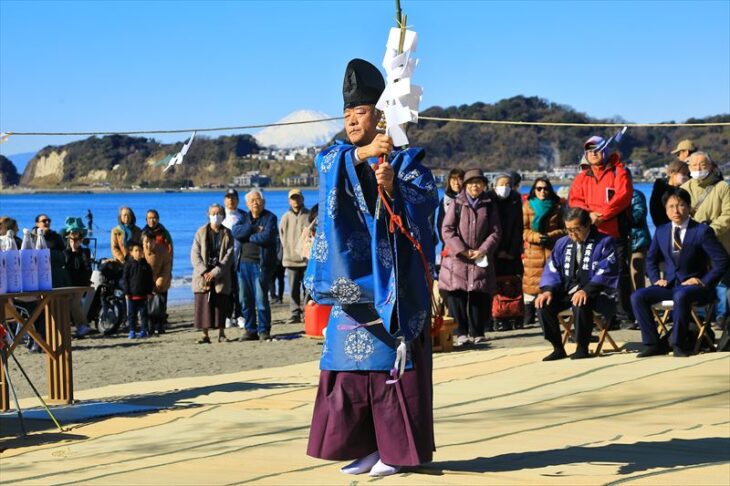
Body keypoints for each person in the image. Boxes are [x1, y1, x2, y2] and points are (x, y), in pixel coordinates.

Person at [306, 58, 438, 477]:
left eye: (359, 113)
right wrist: (362, 156)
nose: (350, 121)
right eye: (346, 115)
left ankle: (395, 452)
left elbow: (424, 206)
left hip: (392, 286)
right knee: (347, 373)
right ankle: (364, 447)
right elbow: (326, 167)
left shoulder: (408, 163)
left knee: (390, 372)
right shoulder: (338, 156)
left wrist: (393, 188)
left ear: (381, 115)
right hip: (351, 286)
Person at [631, 188, 729, 357]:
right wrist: (655, 279)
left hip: (697, 288)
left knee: (681, 295)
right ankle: (653, 344)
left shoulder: (701, 231)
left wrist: (702, 280)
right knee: (637, 296)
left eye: (681, 205)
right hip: (670, 285)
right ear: (666, 210)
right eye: (671, 206)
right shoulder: (662, 231)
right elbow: (651, 260)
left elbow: (722, 261)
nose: (676, 210)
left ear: (689, 207)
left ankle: (679, 343)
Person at [535, 207, 619, 361]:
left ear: (587, 225)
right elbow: (552, 269)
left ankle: (582, 347)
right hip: (568, 290)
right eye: (568, 230)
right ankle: (557, 348)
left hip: (597, 293)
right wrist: (547, 290)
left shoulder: (605, 242)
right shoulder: (562, 243)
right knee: (543, 304)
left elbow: (607, 270)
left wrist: (586, 290)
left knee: (581, 302)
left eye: (576, 229)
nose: (572, 234)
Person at [569, 135, 634, 326]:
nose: (593, 154)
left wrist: (602, 214)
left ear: (605, 150)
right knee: (592, 273)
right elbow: (575, 199)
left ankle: (624, 315)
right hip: (591, 234)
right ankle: (603, 315)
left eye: (597, 150)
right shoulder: (582, 177)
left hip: (615, 232)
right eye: (589, 151)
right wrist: (589, 215)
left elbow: (623, 196)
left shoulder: (619, 171)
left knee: (620, 273)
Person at [440, 169, 501, 345]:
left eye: (479, 182)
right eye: (471, 182)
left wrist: (482, 250)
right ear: (466, 185)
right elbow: (447, 229)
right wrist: (462, 249)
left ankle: (477, 331)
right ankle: (461, 333)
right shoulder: (457, 203)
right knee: (457, 294)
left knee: (479, 294)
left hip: (479, 257)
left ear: (484, 185)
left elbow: (495, 232)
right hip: (457, 257)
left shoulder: (489, 204)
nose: (475, 185)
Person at [681, 151, 730, 328]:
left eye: (702, 165)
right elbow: (679, 213)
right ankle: (700, 318)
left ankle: (722, 316)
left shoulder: (722, 187)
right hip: (694, 244)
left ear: (710, 166)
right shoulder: (685, 188)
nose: (698, 168)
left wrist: (710, 231)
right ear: (688, 167)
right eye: (694, 165)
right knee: (697, 277)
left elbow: (728, 214)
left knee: (722, 280)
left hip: (720, 241)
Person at [231, 190, 278, 341]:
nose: (255, 203)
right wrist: (252, 229)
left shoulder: (270, 218)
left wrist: (248, 237)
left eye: (257, 200)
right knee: (245, 300)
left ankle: (264, 330)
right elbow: (236, 232)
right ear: (247, 204)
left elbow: (266, 237)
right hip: (243, 264)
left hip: (260, 264)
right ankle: (250, 329)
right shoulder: (244, 218)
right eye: (251, 201)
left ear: (263, 202)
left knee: (261, 300)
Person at [522, 177, 565, 328]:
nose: (542, 191)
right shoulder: (527, 206)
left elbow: (565, 229)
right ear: (534, 189)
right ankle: (529, 317)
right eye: (539, 188)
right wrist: (537, 237)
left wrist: (551, 236)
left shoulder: (557, 206)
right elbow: (524, 230)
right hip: (533, 250)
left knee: (552, 281)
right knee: (531, 283)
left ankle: (551, 315)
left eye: (545, 188)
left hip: (553, 249)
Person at [191, 204, 234, 343]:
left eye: (219, 213)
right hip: (203, 274)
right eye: (213, 213)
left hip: (220, 274)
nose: (216, 216)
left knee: (221, 304)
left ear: (223, 215)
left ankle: (221, 333)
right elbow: (194, 254)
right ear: (208, 215)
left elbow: (229, 255)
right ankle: (205, 334)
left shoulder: (227, 233)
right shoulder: (200, 232)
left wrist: (216, 272)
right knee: (204, 304)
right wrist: (204, 271)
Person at [490, 173, 524, 331]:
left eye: (508, 185)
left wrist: (511, 251)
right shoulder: (489, 200)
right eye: (501, 184)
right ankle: (497, 317)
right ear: (494, 186)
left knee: (513, 285)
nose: (505, 188)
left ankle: (515, 316)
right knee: (495, 287)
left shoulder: (516, 200)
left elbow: (519, 227)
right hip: (493, 251)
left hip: (512, 251)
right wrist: (496, 251)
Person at [279, 188, 310, 323]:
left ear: (302, 199)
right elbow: (282, 236)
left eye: (298, 198)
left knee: (308, 288)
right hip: (290, 260)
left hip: (307, 260)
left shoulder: (309, 215)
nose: (295, 200)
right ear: (289, 201)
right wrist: (287, 250)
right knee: (293, 289)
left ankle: (308, 313)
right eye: (293, 198)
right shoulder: (285, 217)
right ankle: (295, 313)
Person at [141, 209, 173, 332]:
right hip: (147, 276)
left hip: (162, 269)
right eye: (149, 218)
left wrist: (167, 273)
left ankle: (161, 323)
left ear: (158, 219)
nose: (152, 220)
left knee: (161, 301)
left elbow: (170, 252)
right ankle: (149, 325)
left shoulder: (164, 233)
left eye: (154, 217)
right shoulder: (143, 233)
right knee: (148, 304)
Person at [222, 188, 247, 329]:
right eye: (228, 198)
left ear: (237, 200)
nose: (231, 200)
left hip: (240, 258)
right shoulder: (219, 215)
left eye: (233, 198)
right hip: (224, 260)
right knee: (226, 289)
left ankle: (240, 315)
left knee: (240, 289)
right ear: (224, 200)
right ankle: (226, 316)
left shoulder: (243, 216)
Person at [63, 230, 93, 338]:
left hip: (81, 283)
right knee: (75, 304)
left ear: (80, 241)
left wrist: (86, 281)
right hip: (70, 283)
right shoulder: (66, 253)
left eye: (76, 240)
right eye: (71, 240)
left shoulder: (84, 252)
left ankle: (81, 326)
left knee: (74, 304)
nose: (73, 243)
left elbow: (87, 267)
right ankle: (83, 325)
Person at [122, 241, 154, 339]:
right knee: (131, 315)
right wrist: (126, 292)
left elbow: (150, 280)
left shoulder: (146, 265)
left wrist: (149, 292)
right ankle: (132, 331)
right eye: (136, 251)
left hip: (143, 295)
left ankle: (143, 330)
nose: (138, 253)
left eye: (140, 250)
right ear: (131, 252)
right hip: (131, 295)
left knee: (144, 314)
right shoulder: (128, 265)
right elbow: (125, 280)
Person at [649, 160, 690, 227]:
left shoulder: (685, 188)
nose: (686, 177)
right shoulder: (660, 190)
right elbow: (655, 212)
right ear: (672, 173)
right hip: (665, 227)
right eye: (683, 174)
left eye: (687, 174)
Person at [629, 189, 651, 294]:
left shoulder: (635, 195)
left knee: (636, 276)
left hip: (637, 241)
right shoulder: (611, 194)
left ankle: (638, 305)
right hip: (622, 241)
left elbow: (639, 216)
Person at [436, 169, 464, 243]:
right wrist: (446, 241)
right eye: (453, 180)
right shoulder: (444, 200)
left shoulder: (470, 200)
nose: (456, 183)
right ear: (449, 182)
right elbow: (440, 224)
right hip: (449, 244)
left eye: (459, 180)